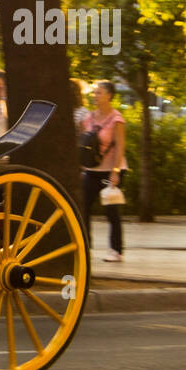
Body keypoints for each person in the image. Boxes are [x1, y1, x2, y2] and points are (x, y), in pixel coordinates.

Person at [82, 79, 127, 261]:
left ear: (109, 95)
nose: (95, 96)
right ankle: (86, 247)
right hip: (91, 169)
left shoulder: (117, 119)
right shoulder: (88, 119)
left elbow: (120, 147)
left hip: (111, 170)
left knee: (111, 210)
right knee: (83, 208)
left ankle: (116, 250)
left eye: (99, 92)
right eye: (94, 93)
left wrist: (115, 171)